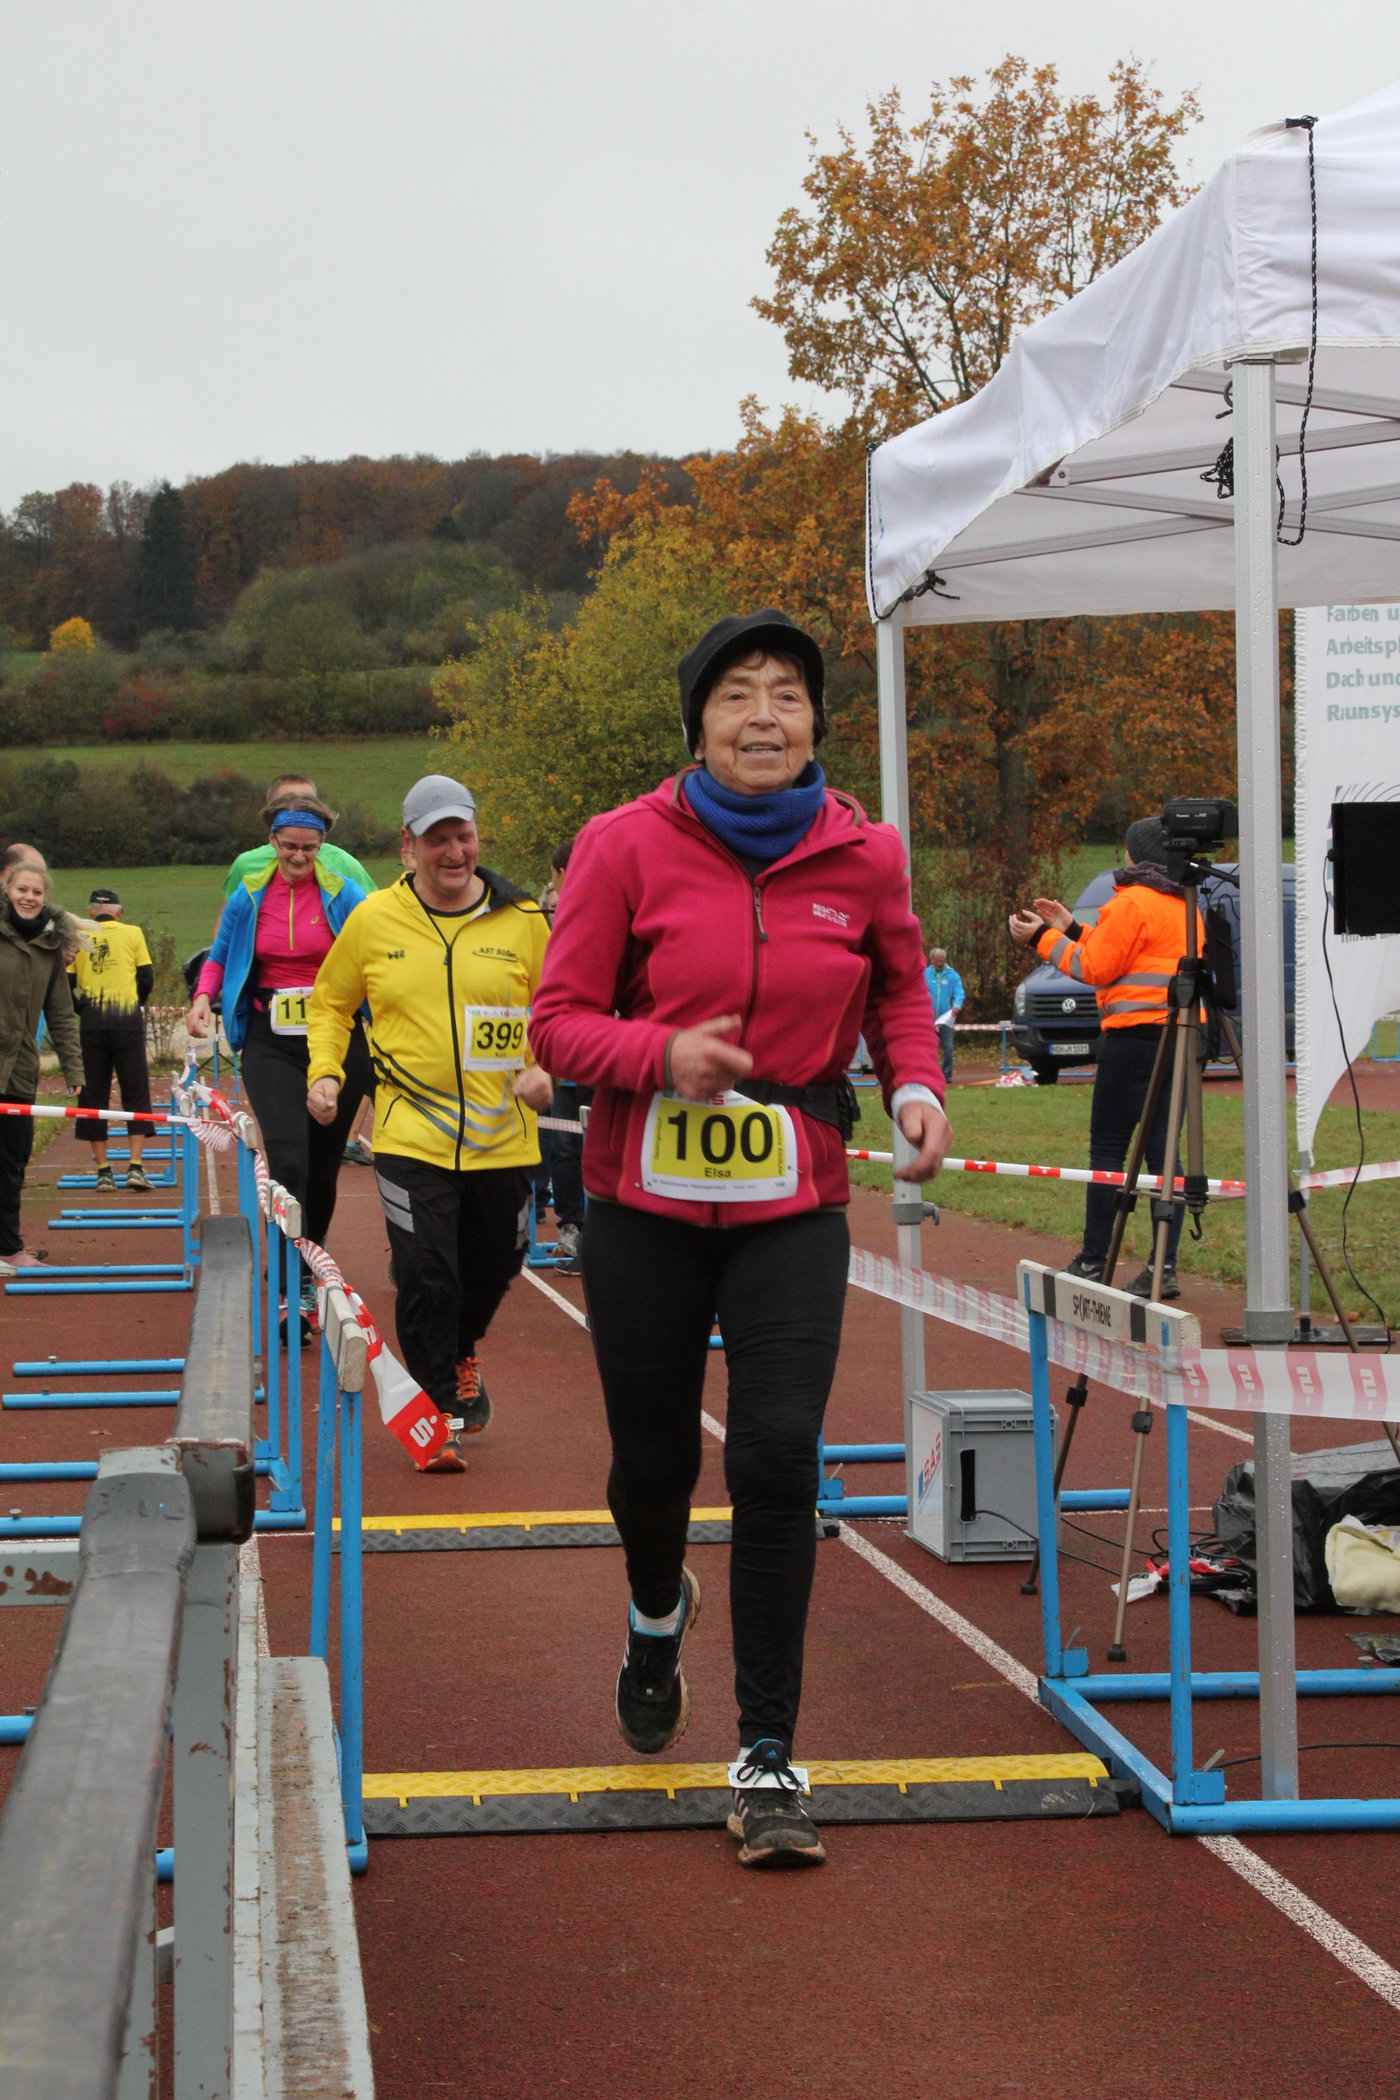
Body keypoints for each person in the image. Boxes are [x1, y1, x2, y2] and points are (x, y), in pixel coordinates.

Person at [530, 609, 950, 1870]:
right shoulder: (620, 845)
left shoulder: (865, 855)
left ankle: (766, 1754)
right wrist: (660, 1053)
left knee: (774, 1458)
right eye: (735, 694)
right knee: (654, 1464)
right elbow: (558, 1023)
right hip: (641, 1202)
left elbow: (898, 988)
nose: (762, 716)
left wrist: (913, 1084)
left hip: (792, 1203)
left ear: (814, 721)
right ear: (697, 723)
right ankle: (654, 1612)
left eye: (785, 694)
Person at [306, 775, 552, 1472]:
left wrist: (546, 1067)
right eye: (437, 839)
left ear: (477, 838)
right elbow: (330, 1004)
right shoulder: (374, 920)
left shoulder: (522, 919)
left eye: (463, 836)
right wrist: (325, 1070)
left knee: (495, 1266)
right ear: (408, 846)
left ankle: (462, 1350)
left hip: (504, 1138)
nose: (454, 852)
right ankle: (436, 1410)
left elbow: (560, 1009)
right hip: (410, 1132)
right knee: (426, 1273)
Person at [187, 793, 371, 1332]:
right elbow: (221, 954)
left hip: (338, 1037)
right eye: (289, 846)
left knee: (324, 1164)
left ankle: (311, 1260)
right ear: (272, 842)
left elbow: (378, 954)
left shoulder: (345, 893)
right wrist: (203, 997)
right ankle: (292, 1279)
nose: (298, 857)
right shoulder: (249, 894)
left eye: (309, 848)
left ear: (322, 845)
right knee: (288, 1160)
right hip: (271, 1040)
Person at [1009, 815, 1202, 1299]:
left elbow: (1095, 968)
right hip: (1178, 1039)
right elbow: (1127, 954)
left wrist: (1042, 938)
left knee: (1108, 1152)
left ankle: (1094, 1260)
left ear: (1135, 854)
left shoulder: (1130, 901)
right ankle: (1164, 1265)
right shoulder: (1185, 903)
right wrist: (1073, 927)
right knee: (1165, 1156)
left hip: (1132, 1041)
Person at [0, 861, 84, 1276]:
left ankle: (7, 1248)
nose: (29, 898)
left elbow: (62, 1013)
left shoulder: (51, 947)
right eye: (22, 889)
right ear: (7, 889)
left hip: (19, 1070)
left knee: (11, 1161)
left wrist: (73, 1069)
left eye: (37, 892)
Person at [70, 888, 157, 1193]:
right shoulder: (132, 933)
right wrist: (135, 1003)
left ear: (90, 912)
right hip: (126, 1020)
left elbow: (66, 983)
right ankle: (136, 1165)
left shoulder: (77, 935)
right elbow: (146, 977)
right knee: (135, 1090)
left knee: (93, 1094)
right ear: (119, 912)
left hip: (92, 1022)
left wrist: (80, 1007)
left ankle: (103, 1170)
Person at [216, 773, 376, 926]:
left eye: (308, 803)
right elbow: (227, 923)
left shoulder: (343, 862)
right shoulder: (246, 864)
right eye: (288, 802)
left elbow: (372, 916)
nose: (300, 810)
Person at [537, 837, 588, 1272]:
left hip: (606, 1057)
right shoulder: (543, 927)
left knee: (610, 1147)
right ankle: (574, 1229)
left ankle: (605, 1236)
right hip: (565, 1061)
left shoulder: (615, 912)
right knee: (565, 1148)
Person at [923, 948, 964, 1084]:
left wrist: (957, 1005)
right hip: (927, 1017)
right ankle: (929, 1073)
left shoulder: (952, 975)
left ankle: (946, 1074)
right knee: (927, 1048)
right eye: (937, 961)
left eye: (942, 961)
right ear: (931, 960)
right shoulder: (924, 974)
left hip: (945, 1018)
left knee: (948, 1047)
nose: (940, 963)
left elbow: (959, 992)